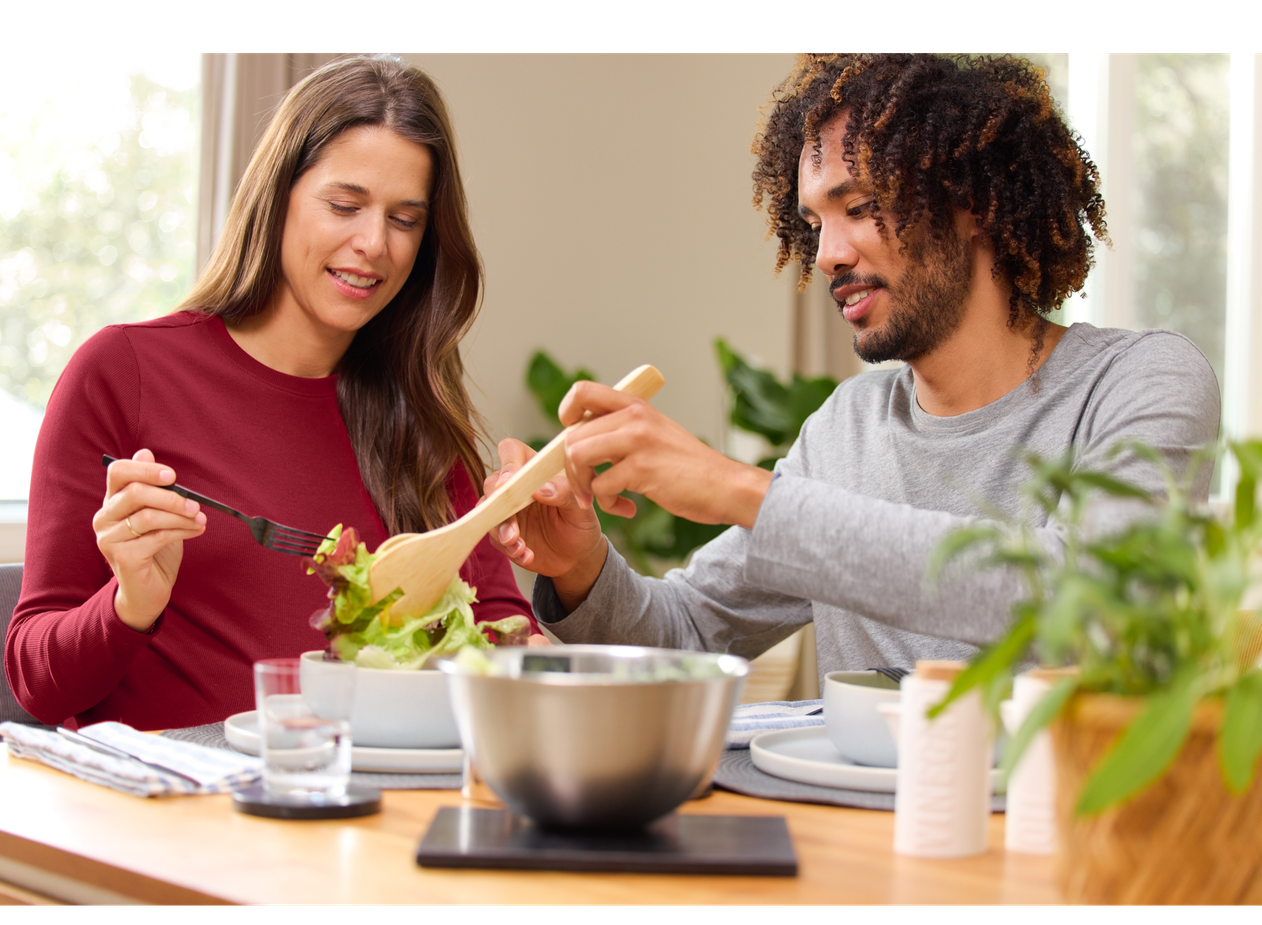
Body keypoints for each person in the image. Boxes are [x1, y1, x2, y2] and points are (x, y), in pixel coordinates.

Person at [486, 52, 1221, 680]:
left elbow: (1096, 607)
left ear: (974, 204)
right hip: (857, 840)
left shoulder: (1139, 383)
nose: (829, 254)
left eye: (860, 206)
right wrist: (579, 563)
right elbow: (686, 636)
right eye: (813, 224)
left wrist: (742, 492)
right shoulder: (846, 431)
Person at [7, 56, 540, 731]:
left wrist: (552, 630)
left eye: (405, 220)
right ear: (278, 196)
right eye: (344, 205)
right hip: (171, 821)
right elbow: (34, 682)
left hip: (368, 813)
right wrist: (128, 604)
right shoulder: (122, 373)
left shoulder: (417, 408)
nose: (373, 243)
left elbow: (499, 626)